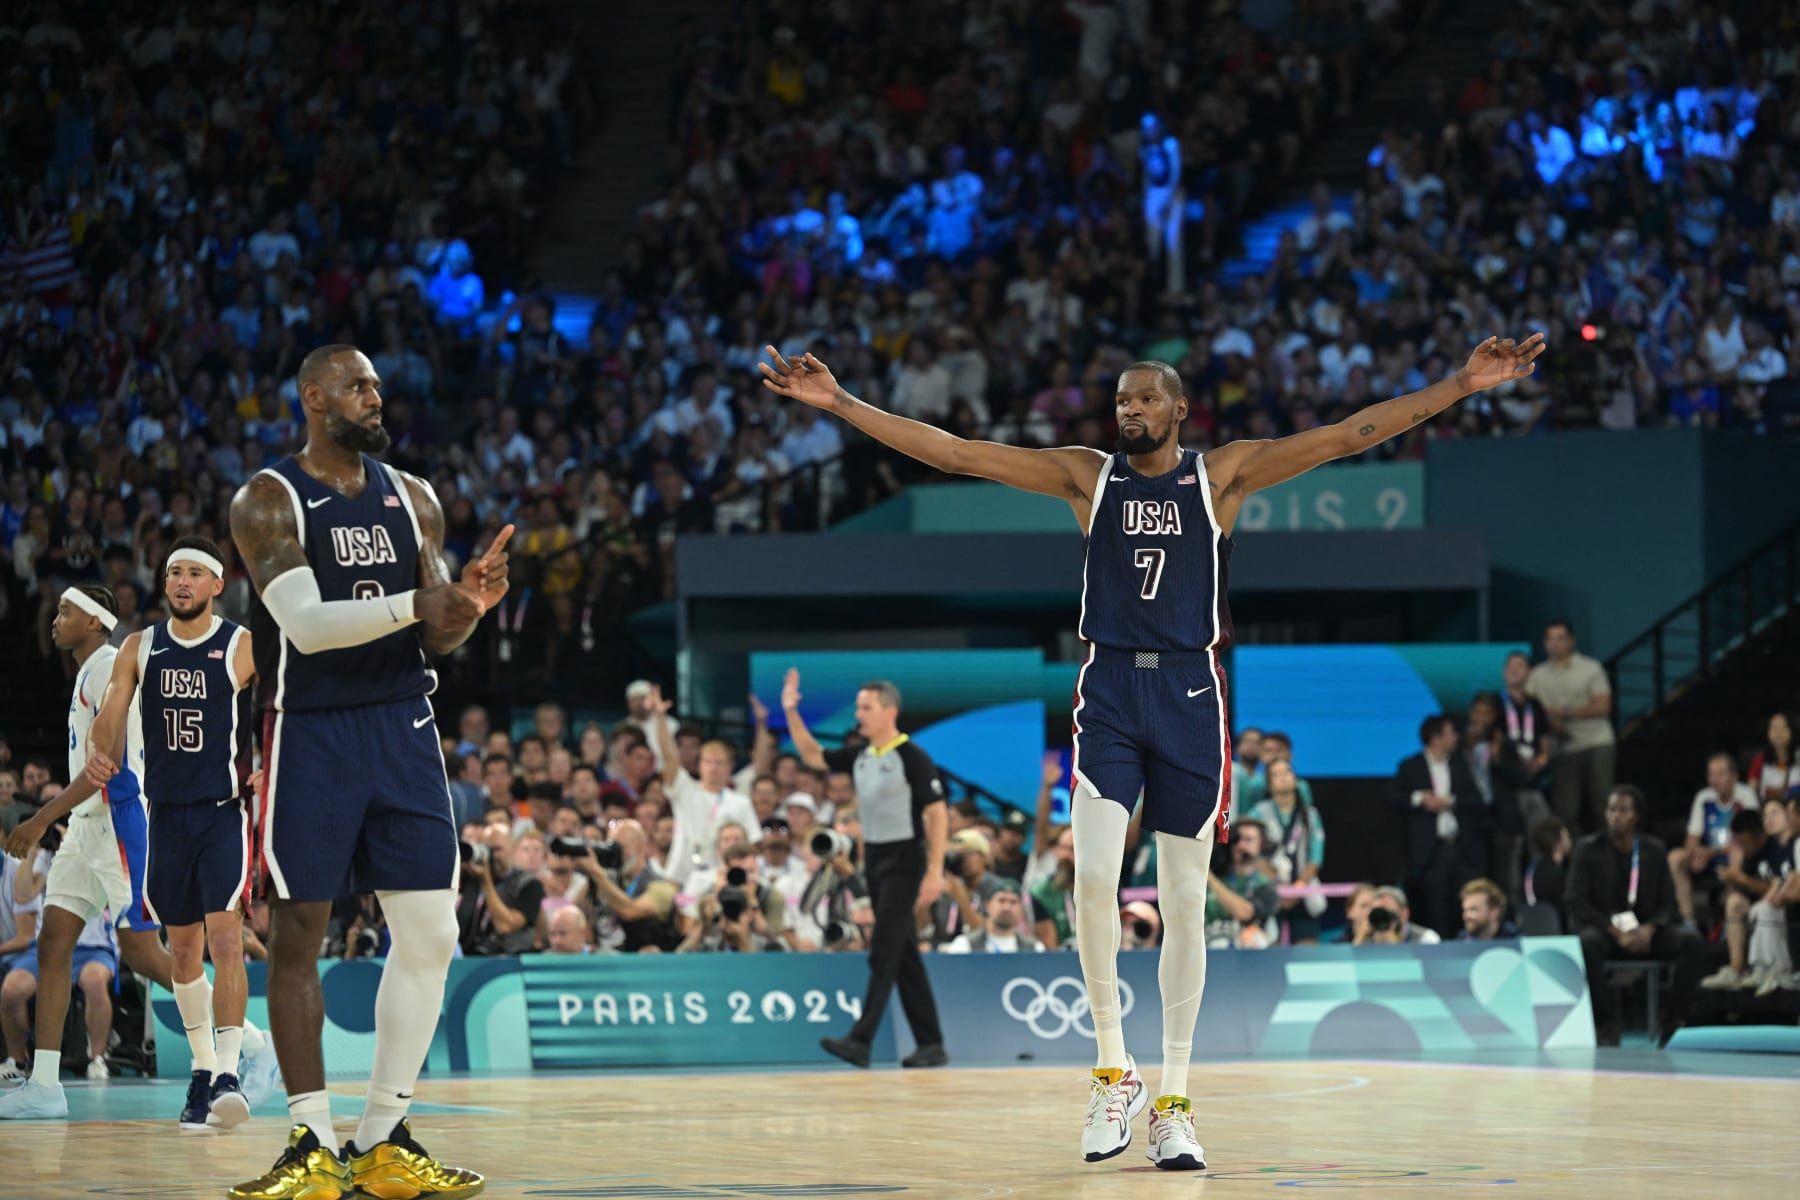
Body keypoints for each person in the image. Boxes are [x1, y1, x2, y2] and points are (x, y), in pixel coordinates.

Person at [759, 330, 1544, 1170]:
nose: (1128, 409)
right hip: (1107, 693)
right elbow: (956, 453)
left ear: (1177, 409)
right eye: (1120, 400)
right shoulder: (1085, 476)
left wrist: (1461, 384)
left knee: (1183, 901)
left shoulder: (1223, 475)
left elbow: (1350, 434)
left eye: (1143, 399)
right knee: (1092, 879)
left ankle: (1173, 1098)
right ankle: (1111, 1071)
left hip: (1190, 695)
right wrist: (841, 405)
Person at [226, 344, 508, 1198]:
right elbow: (307, 626)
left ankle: (384, 1138)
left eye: (379, 385)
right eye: (357, 386)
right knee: (299, 937)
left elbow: (434, 631)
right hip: (308, 732)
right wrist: (419, 604)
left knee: (431, 934)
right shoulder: (269, 499)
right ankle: (310, 1141)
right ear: (314, 398)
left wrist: (467, 608)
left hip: (403, 729)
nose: (375, 397)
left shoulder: (412, 496)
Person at [79, 535, 277, 1131]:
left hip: (222, 813)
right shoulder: (140, 647)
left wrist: (273, 758)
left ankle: (227, 1076)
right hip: (164, 812)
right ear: (165, 584)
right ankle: (201, 1068)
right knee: (183, 952)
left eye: (195, 573)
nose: (183, 582)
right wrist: (100, 750)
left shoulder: (239, 645)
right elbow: (112, 713)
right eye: (174, 573)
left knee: (225, 942)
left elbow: (281, 702)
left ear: (218, 584)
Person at [0, 587, 186, 1120]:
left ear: (97, 623)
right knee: (53, 940)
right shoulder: (88, 670)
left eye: (66, 612)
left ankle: (243, 1038)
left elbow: (104, 767)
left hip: (120, 822)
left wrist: (40, 818)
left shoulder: (109, 666)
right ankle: (44, 1085)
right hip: (86, 827)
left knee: (143, 954)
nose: (55, 620)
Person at [782, 669, 949, 1069]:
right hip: (874, 859)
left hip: (905, 860)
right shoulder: (860, 755)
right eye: (857, 706)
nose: (859, 713)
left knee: (885, 948)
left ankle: (861, 1038)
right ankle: (931, 1043)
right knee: (904, 952)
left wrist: (934, 871)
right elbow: (812, 755)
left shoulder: (912, 756)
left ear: (889, 711)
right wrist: (791, 711)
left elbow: (937, 813)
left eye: (866, 707)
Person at [1565, 785, 1702, 1047]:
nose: (1616, 815)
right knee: (1587, 943)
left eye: (1623, 810)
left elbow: (1668, 904)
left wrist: (1650, 929)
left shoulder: (1654, 850)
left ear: (1636, 815)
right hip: (1606, 932)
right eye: (1612, 809)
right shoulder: (1588, 848)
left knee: (1691, 942)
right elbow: (1576, 901)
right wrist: (1615, 932)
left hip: (1646, 933)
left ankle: (1672, 1022)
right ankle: (1606, 1024)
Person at [1393, 715, 1488, 938]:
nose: (1455, 737)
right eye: (1450, 733)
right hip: (1431, 851)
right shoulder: (1410, 766)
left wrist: (1451, 801)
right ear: (1436, 738)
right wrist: (1420, 799)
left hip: (1461, 847)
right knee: (1437, 908)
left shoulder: (1459, 765)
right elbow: (1392, 796)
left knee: (1469, 901)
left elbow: (1477, 800)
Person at [1527, 621, 1615, 832]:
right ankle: (1575, 859)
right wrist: (1549, 721)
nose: (1555, 644)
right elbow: (1531, 710)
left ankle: (1612, 856)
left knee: (1603, 803)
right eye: (1550, 639)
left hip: (1596, 742)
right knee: (1565, 810)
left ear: (1571, 641)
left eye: (1560, 638)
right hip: (1563, 748)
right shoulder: (1537, 675)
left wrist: (1565, 713)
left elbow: (1603, 706)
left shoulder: (1590, 668)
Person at [1669, 751, 1759, 927]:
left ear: (1734, 776)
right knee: (1675, 857)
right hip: (1708, 858)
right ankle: (1688, 920)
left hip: (1733, 856)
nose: (1714, 779)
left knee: (1737, 853)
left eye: (1720, 774)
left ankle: (1730, 920)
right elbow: (1692, 837)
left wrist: (1711, 852)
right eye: (1711, 774)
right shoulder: (1704, 797)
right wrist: (1694, 854)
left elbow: (1748, 839)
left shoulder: (1746, 796)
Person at [940, 878, 1044, 953]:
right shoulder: (964, 945)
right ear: (987, 906)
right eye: (1001, 900)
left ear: (1021, 909)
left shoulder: (1034, 949)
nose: (1007, 907)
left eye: (1013, 902)